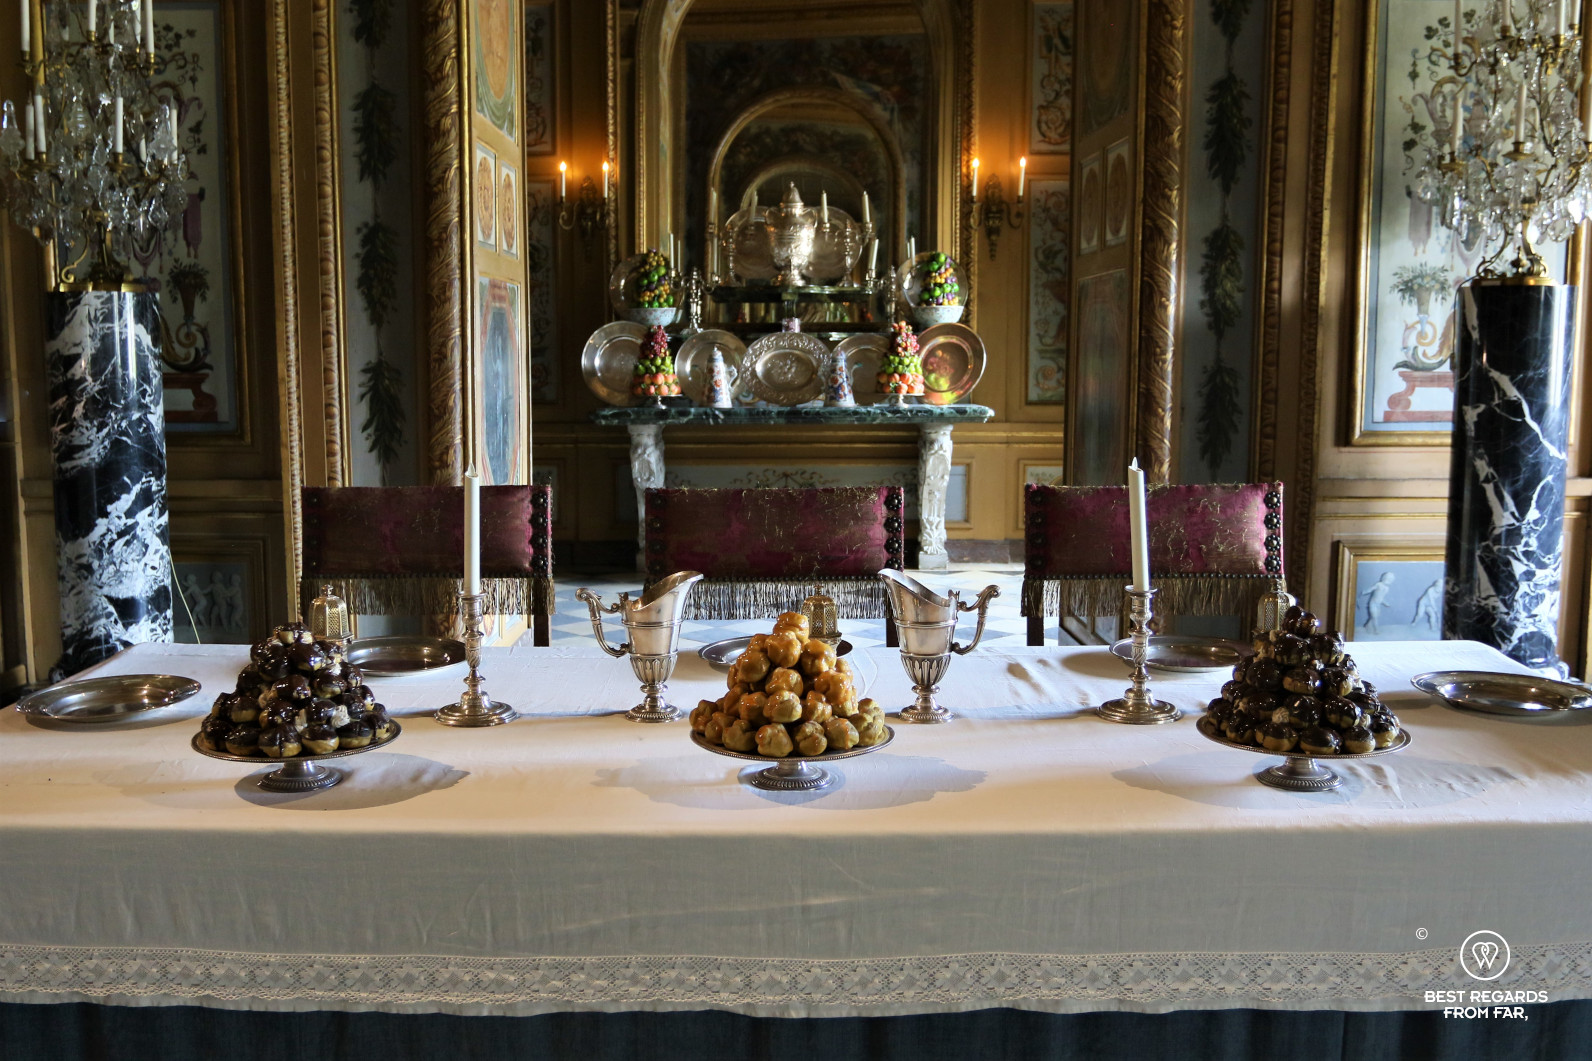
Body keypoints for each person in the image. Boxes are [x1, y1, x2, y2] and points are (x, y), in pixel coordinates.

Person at [1361, 571, 1395, 635]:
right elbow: (1371, 589)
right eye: (1388, 579)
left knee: (1375, 616)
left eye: (1391, 580)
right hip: (1373, 603)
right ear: (1384, 578)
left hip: (1378, 605)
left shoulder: (1387, 588)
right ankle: (1376, 630)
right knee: (1374, 617)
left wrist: (1385, 603)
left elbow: (1381, 598)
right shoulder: (1378, 584)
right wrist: (1364, 592)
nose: (1389, 581)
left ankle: (1367, 626)